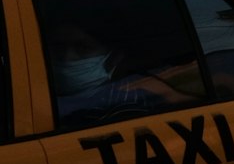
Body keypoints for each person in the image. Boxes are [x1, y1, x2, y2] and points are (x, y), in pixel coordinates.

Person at [48, 21, 196, 126]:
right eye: (58, 48)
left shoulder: (131, 104)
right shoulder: (41, 99)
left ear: (113, 57)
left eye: (83, 48)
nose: (67, 58)